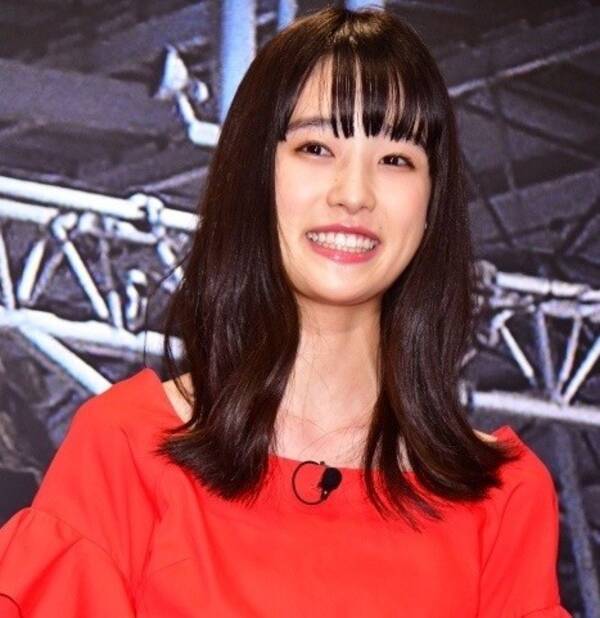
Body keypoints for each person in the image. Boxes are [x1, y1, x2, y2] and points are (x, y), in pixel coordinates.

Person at [0, 6, 570, 617]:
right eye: (316, 147)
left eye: (396, 159)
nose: (354, 194)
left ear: (432, 203)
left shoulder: (500, 498)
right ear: (254, 177)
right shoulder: (128, 450)